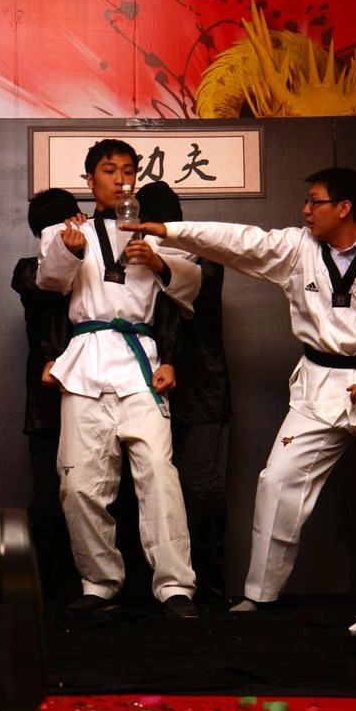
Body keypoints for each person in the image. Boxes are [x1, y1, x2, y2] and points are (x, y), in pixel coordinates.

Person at [124, 166, 356, 610]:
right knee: (277, 483)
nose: (305, 210)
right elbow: (237, 241)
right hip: (319, 389)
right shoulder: (297, 248)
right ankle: (259, 596)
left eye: (315, 201)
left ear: (344, 208)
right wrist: (170, 231)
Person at [35, 139, 201, 618]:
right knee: (79, 483)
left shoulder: (156, 234)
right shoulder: (64, 231)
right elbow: (48, 282)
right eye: (110, 170)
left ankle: (175, 587)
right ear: (90, 180)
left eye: (129, 171)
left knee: (159, 475)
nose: (121, 179)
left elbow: (192, 288)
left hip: (139, 362)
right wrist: (69, 254)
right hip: (86, 363)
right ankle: (99, 583)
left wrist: (160, 262)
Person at [136, 181, 232, 603]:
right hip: (146, 387)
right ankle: (159, 588)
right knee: (151, 489)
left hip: (202, 391)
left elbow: (190, 298)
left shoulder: (202, 256)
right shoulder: (133, 259)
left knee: (201, 491)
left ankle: (207, 588)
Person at [11, 187, 81, 597]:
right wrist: (67, 250)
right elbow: (48, 289)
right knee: (48, 500)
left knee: (94, 494)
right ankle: (39, 593)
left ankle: (90, 590)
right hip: (48, 400)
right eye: (70, 218)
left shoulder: (98, 264)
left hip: (93, 393)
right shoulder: (28, 271)